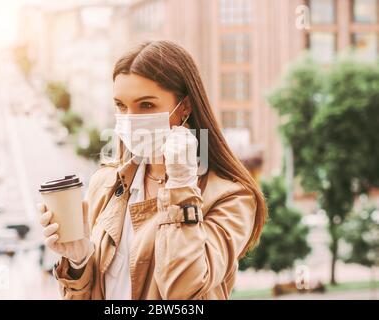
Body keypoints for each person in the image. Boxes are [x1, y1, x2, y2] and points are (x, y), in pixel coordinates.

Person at [38, 40, 267, 300]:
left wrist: (181, 186)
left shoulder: (230, 197)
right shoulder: (106, 184)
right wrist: (78, 260)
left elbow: (183, 289)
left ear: (185, 107)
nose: (130, 119)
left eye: (146, 105)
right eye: (121, 106)